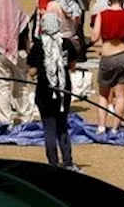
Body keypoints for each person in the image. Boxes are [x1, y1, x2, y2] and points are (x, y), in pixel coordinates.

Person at [27, 12, 79, 170]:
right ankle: (68, 161)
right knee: (62, 127)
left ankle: (53, 163)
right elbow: (72, 66)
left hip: (44, 91)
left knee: (48, 128)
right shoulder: (66, 43)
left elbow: (32, 72)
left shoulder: (38, 45)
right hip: (63, 92)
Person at [90, 0, 124, 136]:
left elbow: (94, 37)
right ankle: (116, 127)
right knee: (121, 94)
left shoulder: (102, 15)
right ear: (122, 2)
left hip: (108, 54)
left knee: (104, 94)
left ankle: (102, 126)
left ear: (110, 1)